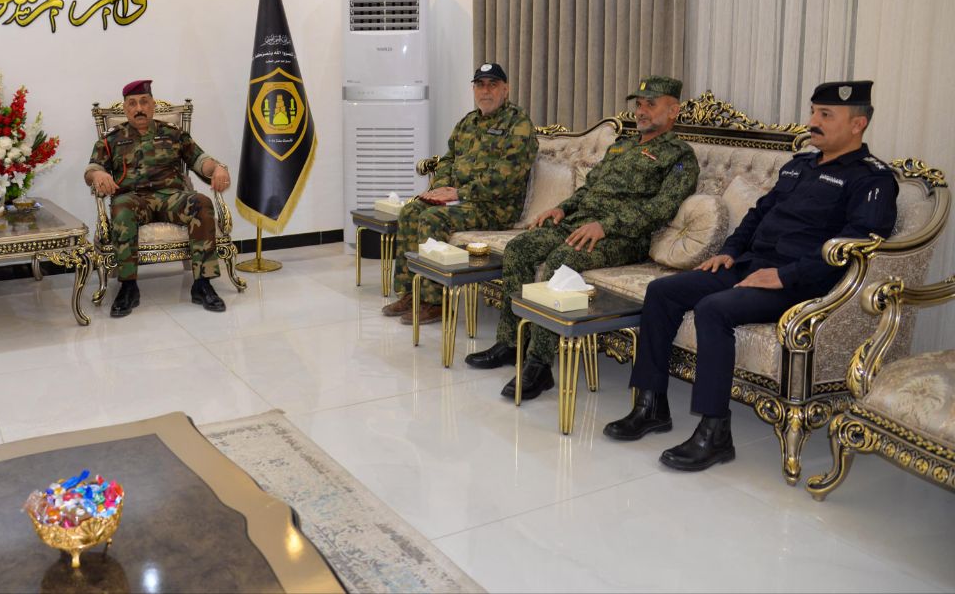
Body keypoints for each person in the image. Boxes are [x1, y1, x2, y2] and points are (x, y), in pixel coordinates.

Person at [603, 80, 897, 471]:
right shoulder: (800, 166)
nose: (813, 121)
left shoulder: (872, 180)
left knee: (713, 309)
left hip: (803, 285)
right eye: (813, 111)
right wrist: (729, 252)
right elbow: (758, 215)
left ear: (858, 124)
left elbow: (856, 247)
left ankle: (715, 433)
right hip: (751, 265)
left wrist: (786, 276)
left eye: (825, 115)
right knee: (662, 292)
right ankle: (651, 405)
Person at [466, 75, 700, 401]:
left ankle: (539, 365)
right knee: (519, 248)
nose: (641, 111)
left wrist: (606, 225)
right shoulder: (622, 146)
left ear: (673, 110)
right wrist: (561, 209)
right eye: (639, 104)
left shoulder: (680, 156)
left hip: (622, 237)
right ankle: (511, 343)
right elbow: (590, 189)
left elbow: (662, 208)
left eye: (651, 104)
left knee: (561, 262)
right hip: (579, 224)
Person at [381, 62, 537, 325]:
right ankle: (411, 293)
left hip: (495, 207)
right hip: (460, 200)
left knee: (432, 218)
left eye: (493, 85)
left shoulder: (518, 124)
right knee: (410, 211)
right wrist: (441, 188)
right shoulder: (467, 123)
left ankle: (435, 302)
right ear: (474, 90)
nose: (485, 91)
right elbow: (448, 160)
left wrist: (459, 193)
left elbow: (507, 177)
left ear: (506, 89)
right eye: (480, 85)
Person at [85, 79, 232, 317]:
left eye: (144, 102)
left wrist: (218, 168)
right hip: (133, 199)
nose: (139, 108)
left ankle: (202, 285)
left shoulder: (174, 134)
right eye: (132, 103)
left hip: (171, 197)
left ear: (153, 105)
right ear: (125, 108)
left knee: (201, 203)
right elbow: (91, 170)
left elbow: (200, 160)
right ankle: (128, 288)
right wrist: (98, 174)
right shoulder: (111, 140)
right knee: (121, 209)